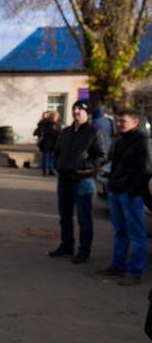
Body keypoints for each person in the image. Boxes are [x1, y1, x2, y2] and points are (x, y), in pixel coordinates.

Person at [96, 108, 152, 286]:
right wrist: (112, 185)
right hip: (116, 192)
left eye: (123, 121)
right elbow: (114, 165)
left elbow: (147, 170)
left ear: (135, 122)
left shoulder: (143, 141)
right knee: (120, 232)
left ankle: (134, 272)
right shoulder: (119, 140)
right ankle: (118, 265)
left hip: (131, 195)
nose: (119, 124)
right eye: (118, 120)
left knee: (137, 235)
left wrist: (134, 190)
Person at [49, 100, 107, 264]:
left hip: (82, 181)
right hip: (64, 180)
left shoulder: (93, 132)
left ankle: (84, 251)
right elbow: (57, 152)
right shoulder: (66, 132)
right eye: (74, 109)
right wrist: (57, 165)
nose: (76, 111)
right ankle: (66, 246)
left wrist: (81, 165)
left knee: (84, 218)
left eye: (79, 109)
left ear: (86, 113)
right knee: (65, 216)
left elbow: (101, 156)